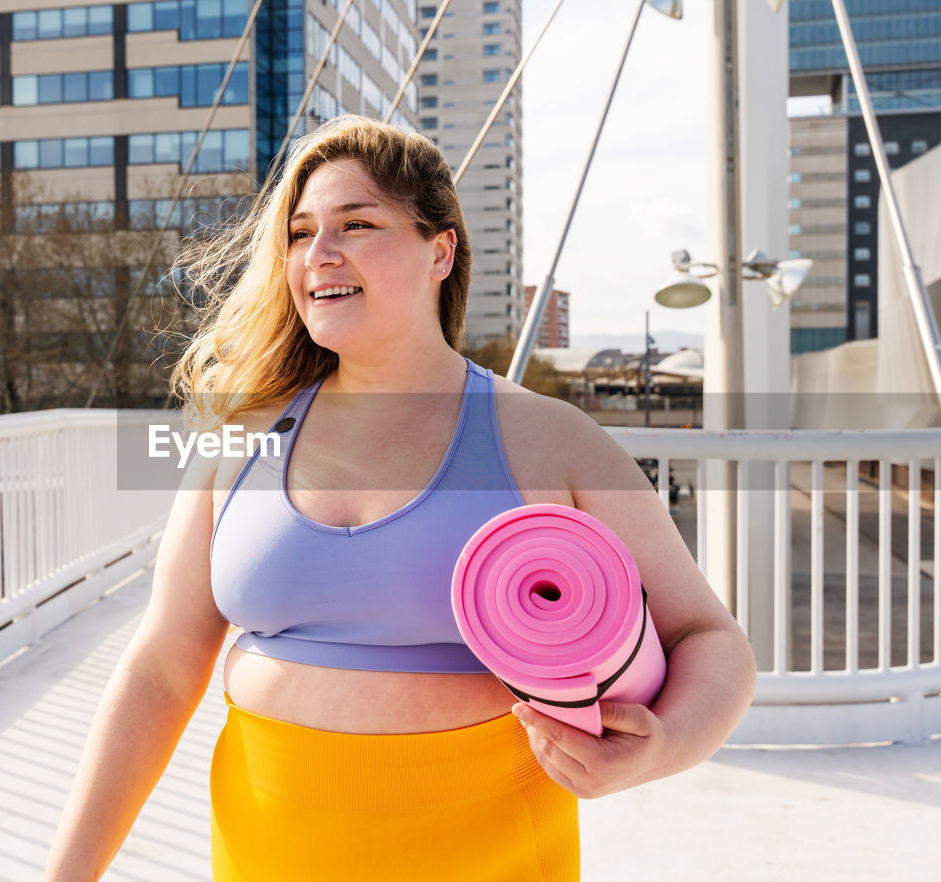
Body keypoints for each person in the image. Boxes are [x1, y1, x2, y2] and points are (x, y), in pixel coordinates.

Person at [44, 116, 756, 881]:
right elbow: (159, 668)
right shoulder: (237, 437)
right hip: (265, 854)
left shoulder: (550, 438)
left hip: (493, 854)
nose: (320, 253)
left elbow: (710, 639)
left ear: (439, 251)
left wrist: (663, 747)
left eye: (358, 223)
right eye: (300, 231)